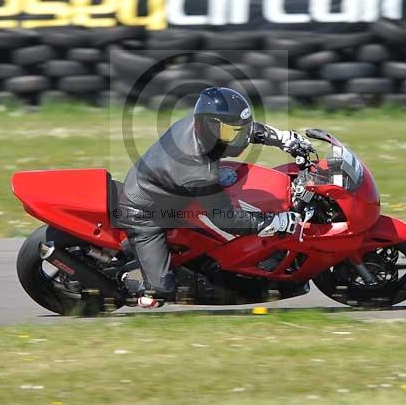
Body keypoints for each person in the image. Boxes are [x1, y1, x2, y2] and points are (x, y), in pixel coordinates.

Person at [116, 86, 313, 308]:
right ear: (206, 126)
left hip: (167, 185)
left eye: (238, 130)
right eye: (231, 133)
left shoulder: (203, 126)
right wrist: (273, 221)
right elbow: (226, 219)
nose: (239, 138)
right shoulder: (199, 169)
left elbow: (241, 129)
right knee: (161, 290)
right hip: (145, 212)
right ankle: (125, 283)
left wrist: (282, 138)